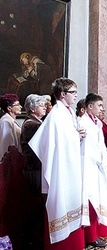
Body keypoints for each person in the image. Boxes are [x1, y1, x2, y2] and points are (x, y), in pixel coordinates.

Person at [28, 77, 88, 249]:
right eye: (73, 92)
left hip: (71, 169)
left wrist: (79, 134)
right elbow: (56, 142)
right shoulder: (56, 114)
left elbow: (69, 136)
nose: (76, 95)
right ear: (62, 94)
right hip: (61, 171)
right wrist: (76, 136)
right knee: (62, 204)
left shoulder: (68, 112)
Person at [78, 93, 107, 247]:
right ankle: (91, 236)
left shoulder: (96, 123)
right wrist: (99, 160)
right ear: (90, 106)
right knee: (91, 200)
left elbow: (100, 146)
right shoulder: (83, 123)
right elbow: (86, 148)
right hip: (88, 168)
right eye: (99, 105)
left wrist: (105, 156)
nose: (102, 108)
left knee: (98, 200)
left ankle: (96, 234)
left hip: (97, 167)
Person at [19, 94, 47, 249]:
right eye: (41, 105)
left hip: (38, 167)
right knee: (38, 203)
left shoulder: (38, 122)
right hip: (34, 169)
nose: (44, 107)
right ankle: (36, 239)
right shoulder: (31, 125)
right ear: (32, 108)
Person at [0, 93, 22, 158]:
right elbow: (6, 146)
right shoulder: (6, 121)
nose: (21, 107)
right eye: (18, 105)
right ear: (9, 108)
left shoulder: (11, 119)